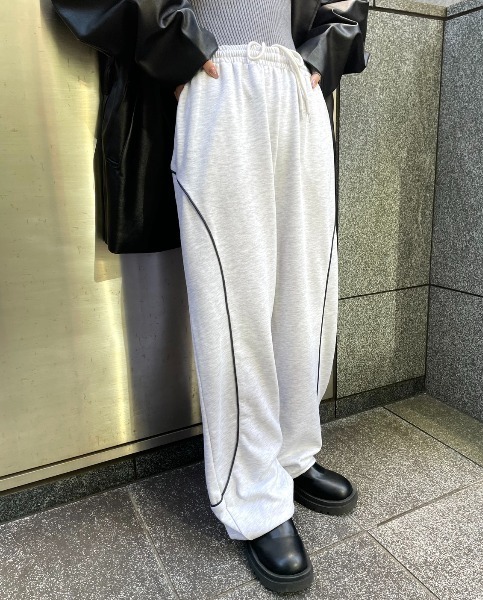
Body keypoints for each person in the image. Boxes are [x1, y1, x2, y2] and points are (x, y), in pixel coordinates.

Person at [51, 0, 370, 593]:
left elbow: (345, 4)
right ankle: (252, 492)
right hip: (222, 79)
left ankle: (291, 454)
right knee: (236, 304)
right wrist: (178, 48)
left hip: (298, 86)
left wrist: (323, 55)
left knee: (309, 294)